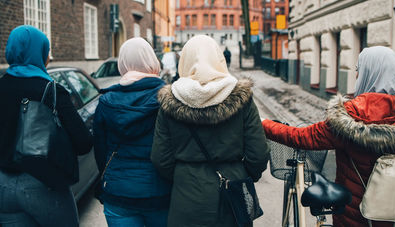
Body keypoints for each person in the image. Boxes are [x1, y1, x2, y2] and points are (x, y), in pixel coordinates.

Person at [262, 46, 395, 227]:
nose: (357, 76)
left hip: (356, 216)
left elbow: (302, 137)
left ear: (368, 73)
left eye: (358, 70)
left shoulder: (350, 116)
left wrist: (264, 123)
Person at [151, 35, 270, 227]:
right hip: (232, 195)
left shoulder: (170, 101)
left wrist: (183, 176)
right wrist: (242, 174)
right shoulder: (242, 98)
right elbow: (258, 153)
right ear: (219, 59)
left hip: (186, 196)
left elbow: (160, 157)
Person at [0, 25, 93, 226]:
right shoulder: (53, 91)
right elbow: (83, 142)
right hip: (43, 185)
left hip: (3, 187)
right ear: (39, 53)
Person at [93, 37, 171, 227]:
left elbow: (100, 150)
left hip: (118, 192)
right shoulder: (168, 99)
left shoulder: (106, 101)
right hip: (159, 191)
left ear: (123, 63)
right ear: (152, 61)